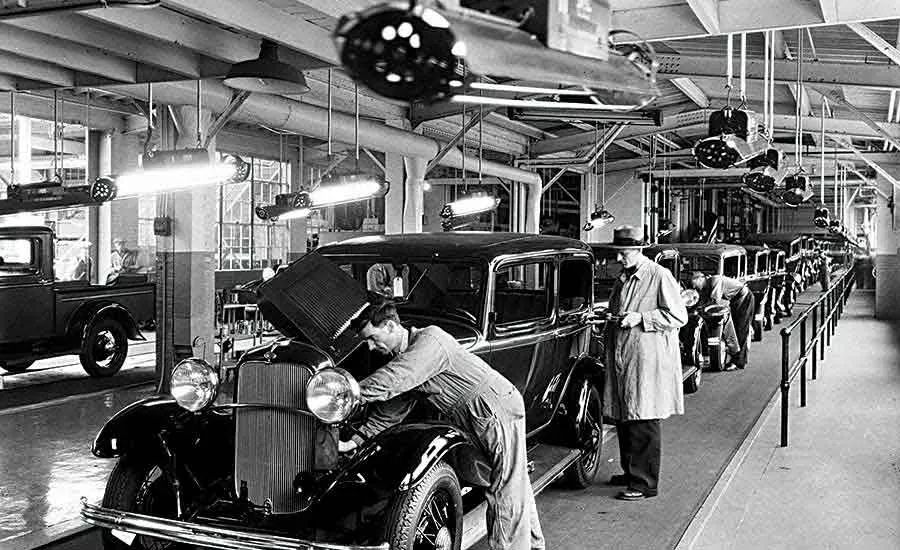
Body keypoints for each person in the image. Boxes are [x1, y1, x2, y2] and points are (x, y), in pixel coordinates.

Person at [339, 300, 544, 550]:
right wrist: (355, 441)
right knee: (514, 480)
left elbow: (393, 379)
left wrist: (343, 393)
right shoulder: (407, 358)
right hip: (475, 414)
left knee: (504, 488)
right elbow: (391, 411)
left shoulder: (429, 341)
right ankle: (533, 545)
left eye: (372, 337)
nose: (371, 347)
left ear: (391, 325)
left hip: (494, 408)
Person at [603, 225, 687, 501]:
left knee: (644, 419)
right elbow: (619, 310)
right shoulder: (624, 277)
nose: (618, 259)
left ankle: (645, 483)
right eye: (617, 253)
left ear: (638, 250)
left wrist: (641, 318)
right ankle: (631, 472)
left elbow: (677, 316)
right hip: (625, 357)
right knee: (626, 417)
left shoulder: (659, 275)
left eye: (623, 253)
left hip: (647, 361)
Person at [690, 271, 755, 371]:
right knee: (735, 328)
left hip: (744, 298)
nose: (695, 288)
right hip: (735, 300)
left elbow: (715, 301)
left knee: (740, 330)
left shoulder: (715, 281)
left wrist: (700, 309)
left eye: (695, 284)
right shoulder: (706, 286)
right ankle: (735, 356)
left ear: (700, 279)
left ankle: (738, 362)